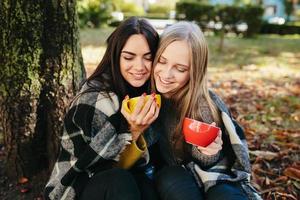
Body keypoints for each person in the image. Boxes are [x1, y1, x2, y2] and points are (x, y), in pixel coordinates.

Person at [44, 17, 160, 200]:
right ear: (115, 57)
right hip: (77, 186)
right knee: (119, 180)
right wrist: (134, 131)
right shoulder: (94, 100)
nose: (139, 67)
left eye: (148, 58)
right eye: (129, 57)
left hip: (122, 179)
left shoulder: (147, 93)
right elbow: (98, 168)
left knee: (148, 186)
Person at [151, 21, 262, 200]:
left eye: (180, 69)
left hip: (212, 174)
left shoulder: (202, 104)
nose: (166, 74)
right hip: (172, 175)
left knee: (224, 194)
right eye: (162, 61)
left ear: (194, 72)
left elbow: (211, 162)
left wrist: (207, 152)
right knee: (173, 180)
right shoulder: (145, 96)